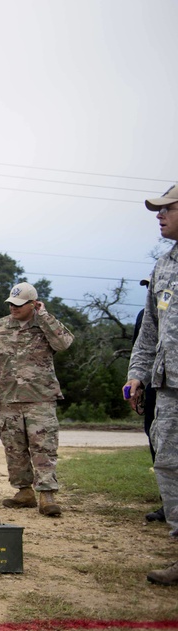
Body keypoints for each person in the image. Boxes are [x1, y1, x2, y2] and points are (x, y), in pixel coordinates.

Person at [0, 282, 74, 518]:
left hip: (40, 397)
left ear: (34, 304)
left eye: (19, 304)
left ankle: (47, 494)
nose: (14, 308)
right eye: (11, 303)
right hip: (8, 398)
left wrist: (45, 316)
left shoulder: (45, 325)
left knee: (43, 447)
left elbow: (64, 343)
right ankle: (24, 492)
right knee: (14, 448)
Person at [125, 183, 178, 585]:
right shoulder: (164, 265)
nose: (159, 215)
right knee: (169, 464)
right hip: (169, 387)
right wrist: (137, 374)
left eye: (167, 208)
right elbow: (149, 332)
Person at [133, 295, 163, 522]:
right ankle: (169, 502)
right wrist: (136, 382)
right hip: (157, 386)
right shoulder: (146, 316)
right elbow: (140, 350)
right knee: (157, 441)